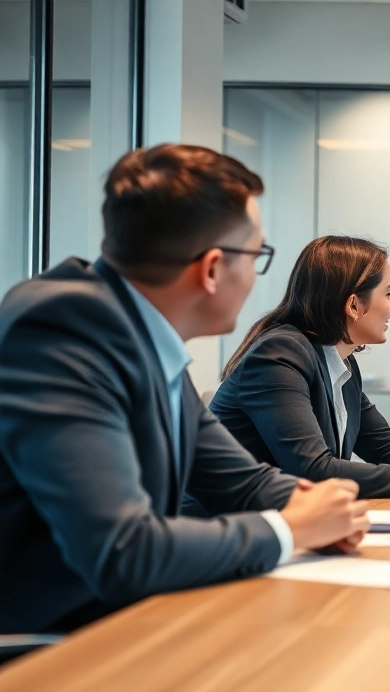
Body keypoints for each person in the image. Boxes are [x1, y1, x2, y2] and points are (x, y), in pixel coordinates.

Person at [0, 145, 368, 635]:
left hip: (123, 618)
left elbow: (241, 480)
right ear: (213, 268)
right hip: (48, 644)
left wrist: (323, 508)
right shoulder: (63, 335)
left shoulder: (140, 336)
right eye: (256, 255)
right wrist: (293, 527)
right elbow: (123, 551)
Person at [211, 236, 390, 498]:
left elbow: (387, 448)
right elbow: (312, 470)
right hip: (227, 531)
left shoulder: (341, 362)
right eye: (387, 294)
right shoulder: (279, 355)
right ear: (354, 305)